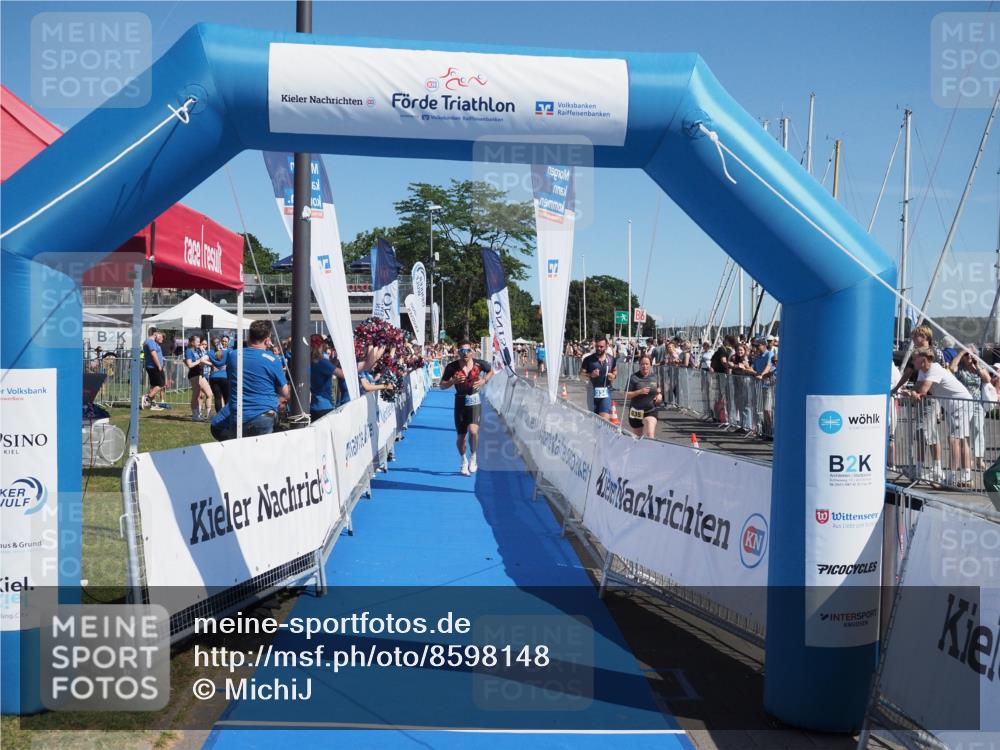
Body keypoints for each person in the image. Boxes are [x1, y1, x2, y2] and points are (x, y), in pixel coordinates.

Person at [210, 320, 290, 441]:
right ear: (268, 339)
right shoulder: (273, 360)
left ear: (249, 336)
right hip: (264, 416)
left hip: (237, 417)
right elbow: (285, 393)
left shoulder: (234, 356)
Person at [909, 347, 973, 487]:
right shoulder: (922, 371)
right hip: (955, 406)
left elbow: (923, 391)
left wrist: (914, 394)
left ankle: (950, 479)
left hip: (961, 404)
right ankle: (966, 477)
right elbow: (917, 388)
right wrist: (913, 393)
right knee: (961, 440)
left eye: (914, 358)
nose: (912, 361)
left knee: (954, 440)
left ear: (924, 360)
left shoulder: (934, 369)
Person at [440, 341, 493, 475]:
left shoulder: (479, 364)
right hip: (460, 402)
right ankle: (464, 461)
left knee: (473, 431)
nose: (465, 353)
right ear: (458, 352)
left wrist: (483, 380)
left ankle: (473, 456)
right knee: (461, 437)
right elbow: (442, 385)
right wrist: (453, 381)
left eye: (468, 351)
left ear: (472, 352)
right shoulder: (452, 367)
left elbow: (491, 371)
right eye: (462, 351)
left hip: (474, 400)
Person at [580, 335, 618, 420]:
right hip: (592, 393)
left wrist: (613, 376)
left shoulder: (611, 359)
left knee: (604, 420)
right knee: (595, 421)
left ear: (607, 346)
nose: (599, 349)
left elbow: (615, 370)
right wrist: (590, 375)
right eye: (597, 346)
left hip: (606, 393)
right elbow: (581, 375)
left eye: (601, 347)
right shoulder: (588, 359)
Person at [625, 355, 662, 438]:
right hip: (636, 411)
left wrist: (659, 395)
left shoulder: (655, 377)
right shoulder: (633, 378)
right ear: (639, 365)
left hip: (650, 410)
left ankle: (651, 450)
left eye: (647, 364)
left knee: (650, 435)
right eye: (642, 364)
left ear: (650, 365)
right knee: (637, 438)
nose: (644, 366)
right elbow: (626, 394)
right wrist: (639, 392)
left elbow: (658, 389)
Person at [184, 335, 214, 421]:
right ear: (192, 342)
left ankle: (208, 415)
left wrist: (203, 353)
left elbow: (204, 359)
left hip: (201, 374)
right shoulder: (189, 351)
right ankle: (195, 415)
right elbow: (189, 365)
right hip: (194, 375)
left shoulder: (198, 350)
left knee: (209, 394)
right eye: (197, 341)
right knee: (196, 395)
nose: (199, 343)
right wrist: (199, 361)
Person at [309, 335, 336, 421]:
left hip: (314, 405)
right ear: (322, 345)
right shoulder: (322, 362)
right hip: (325, 406)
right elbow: (342, 374)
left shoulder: (309, 360)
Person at [141, 327, 165, 411]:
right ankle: (147, 398)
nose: (161, 337)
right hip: (154, 367)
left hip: (154, 366)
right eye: (160, 335)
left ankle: (151, 404)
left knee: (154, 385)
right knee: (161, 384)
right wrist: (159, 366)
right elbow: (153, 354)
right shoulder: (150, 342)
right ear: (155, 334)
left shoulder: (151, 342)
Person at [208, 339, 229, 414]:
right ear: (220, 343)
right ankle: (227, 415)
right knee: (227, 397)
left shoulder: (210, 353)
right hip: (224, 376)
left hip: (213, 377)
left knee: (217, 398)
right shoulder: (226, 352)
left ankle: (219, 416)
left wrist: (211, 364)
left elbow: (202, 360)